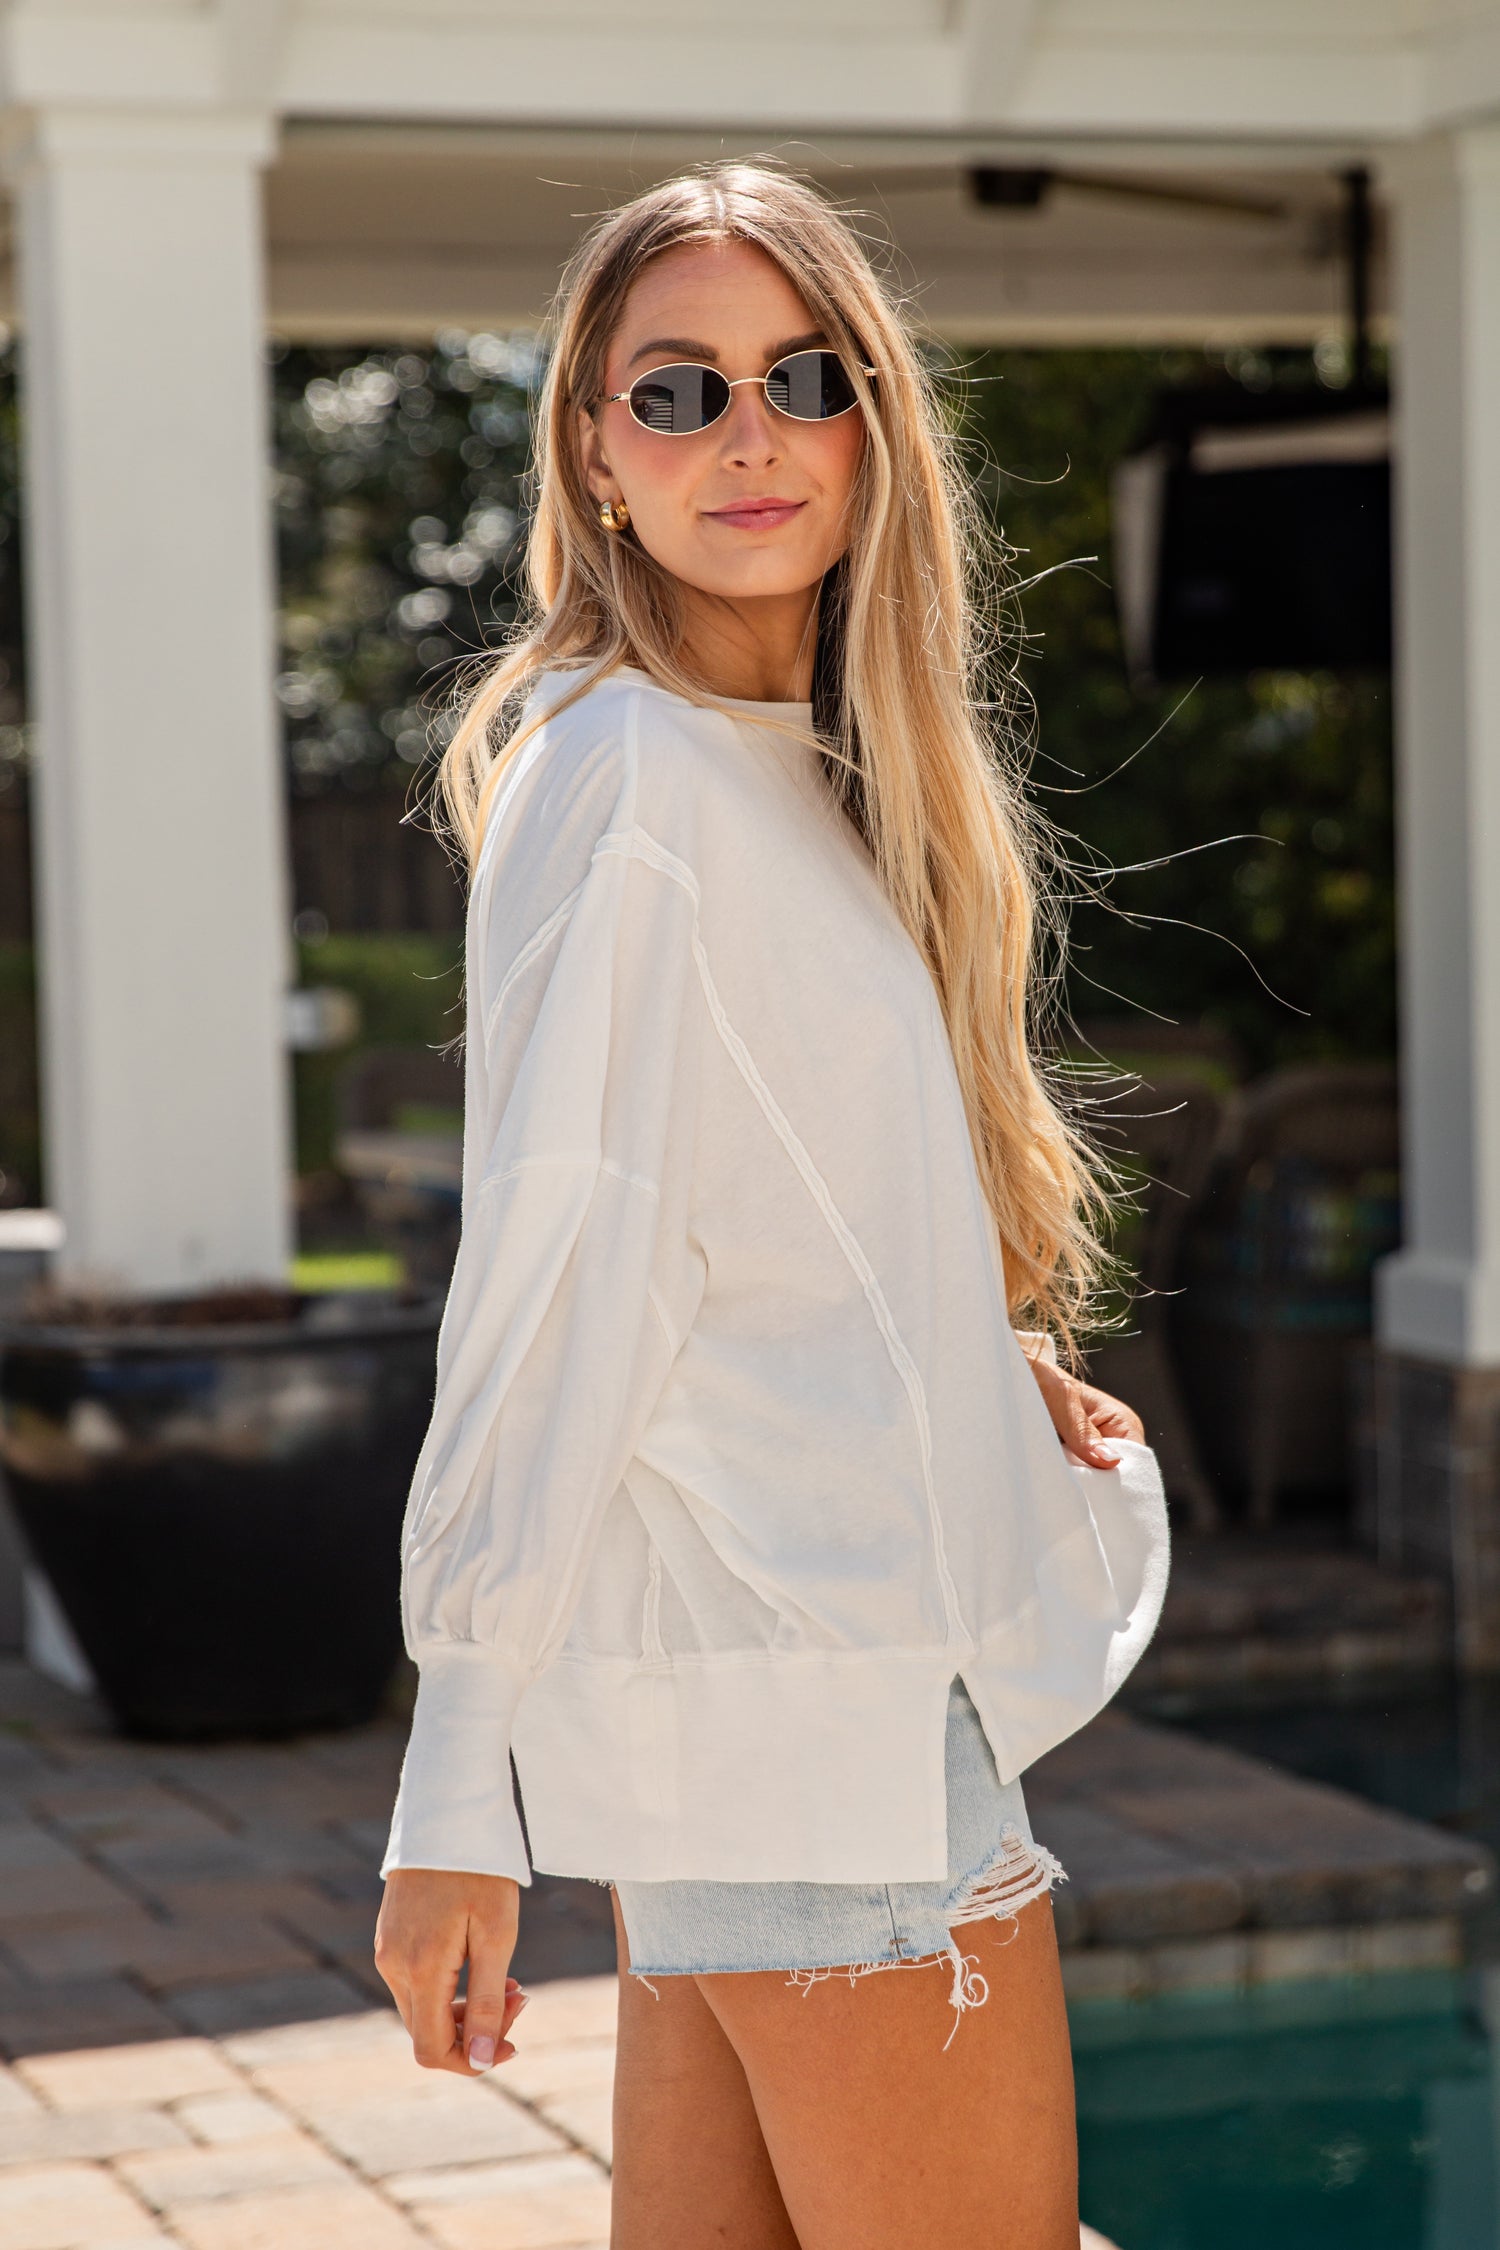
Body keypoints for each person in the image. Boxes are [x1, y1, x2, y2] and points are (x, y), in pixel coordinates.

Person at [374, 162, 1168, 2249]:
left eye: (804, 379)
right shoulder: (633, 778)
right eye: (679, 389)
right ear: (592, 451)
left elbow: (763, 1215)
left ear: (871, 428)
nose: (749, 432)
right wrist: (453, 1793)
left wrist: (972, 1360)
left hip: (783, 1711)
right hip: (817, 1722)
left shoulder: (782, 768)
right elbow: (560, 1281)